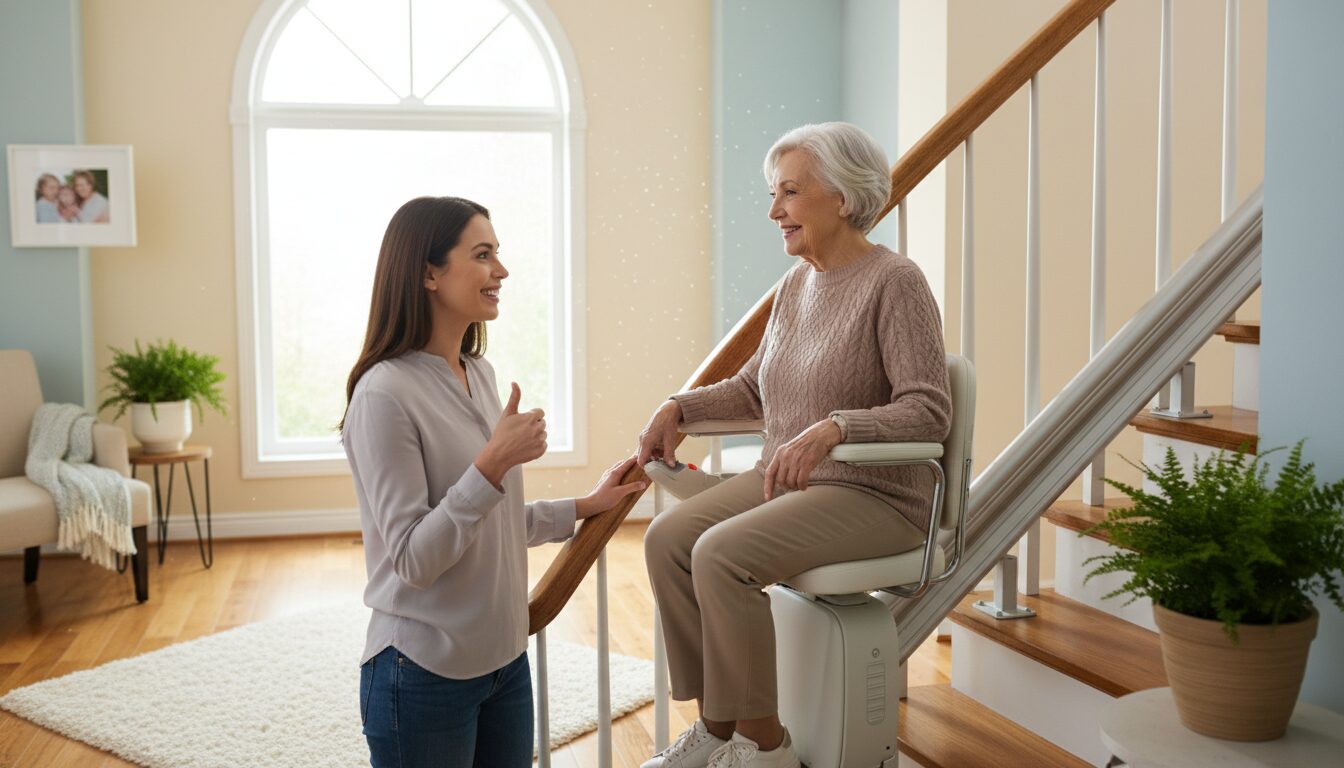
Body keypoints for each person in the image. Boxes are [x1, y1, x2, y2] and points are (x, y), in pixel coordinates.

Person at [635, 122, 952, 768]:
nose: (775, 210)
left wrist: (838, 426)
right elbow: (756, 391)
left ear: (842, 196)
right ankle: (719, 728)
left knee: (721, 555)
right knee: (667, 541)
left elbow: (929, 409)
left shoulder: (896, 281)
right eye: (773, 194)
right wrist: (680, 407)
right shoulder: (794, 288)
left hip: (876, 493)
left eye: (789, 192)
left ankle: (766, 748)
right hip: (792, 481)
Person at [341, 196, 647, 767]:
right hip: (422, 672)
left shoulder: (478, 373)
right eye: (483, 255)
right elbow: (413, 559)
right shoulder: (384, 395)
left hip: (506, 663)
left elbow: (494, 522)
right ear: (429, 272)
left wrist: (587, 504)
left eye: (498, 254)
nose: (501, 271)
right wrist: (491, 466)